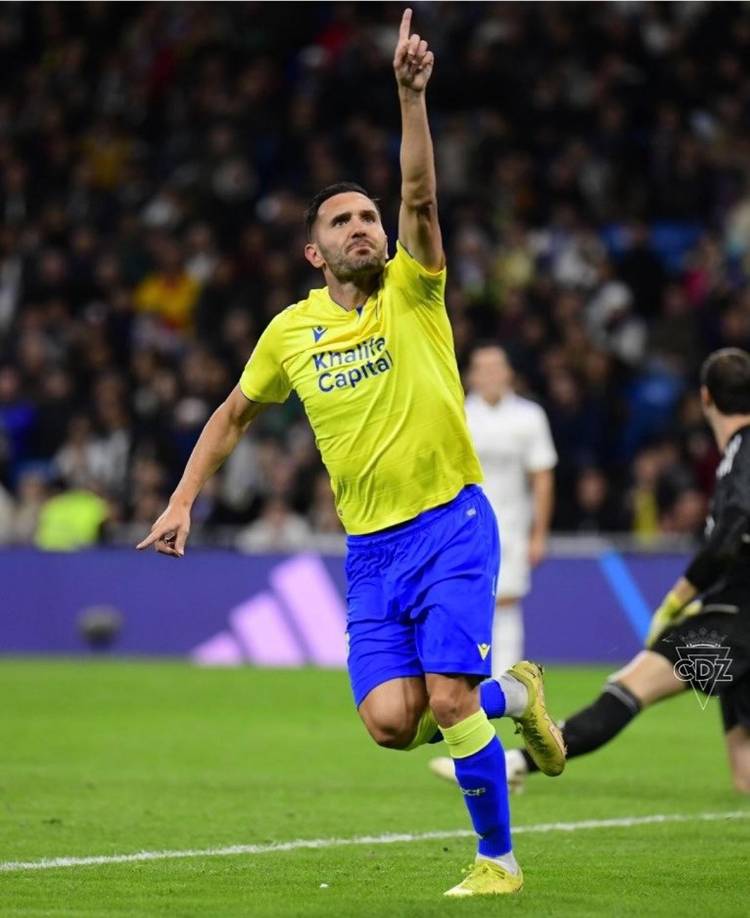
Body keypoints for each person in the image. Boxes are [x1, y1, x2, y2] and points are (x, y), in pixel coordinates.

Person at [137, 9, 565, 897]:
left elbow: (421, 198)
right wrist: (183, 498)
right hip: (371, 552)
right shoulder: (289, 332)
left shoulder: (413, 288)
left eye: (370, 216)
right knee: (390, 722)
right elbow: (231, 413)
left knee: (449, 699)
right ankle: (518, 697)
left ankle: (498, 861)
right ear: (314, 248)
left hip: (452, 521)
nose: (365, 227)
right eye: (345, 221)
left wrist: (411, 98)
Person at [500, 348, 750, 794]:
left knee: (628, 688)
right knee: (745, 773)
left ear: (706, 397)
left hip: (732, 621)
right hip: (736, 629)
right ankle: (516, 762)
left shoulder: (743, 452)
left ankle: (514, 762)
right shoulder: (735, 455)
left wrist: (678, 596)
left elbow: (732, 528)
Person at [428, 343, 557, 785]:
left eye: (496, 367)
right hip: (463, 530)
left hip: (511, 528)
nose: (489, 375)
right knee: (476, 615)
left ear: (509, 373)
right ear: (470, 374)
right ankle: (502, 715)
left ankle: (501, 715)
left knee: (503, 608)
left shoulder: (529, 417)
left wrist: (539, 532)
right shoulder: (459, 411)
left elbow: (541, 477)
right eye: (481, 368)